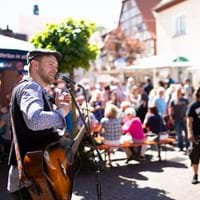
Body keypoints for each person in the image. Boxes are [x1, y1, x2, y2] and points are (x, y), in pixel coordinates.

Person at [7, 49, 71, 199]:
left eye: (56, 67)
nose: (55, 70)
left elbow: (37, 127)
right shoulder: (31, 87)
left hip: (33, 174)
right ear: (35, 65)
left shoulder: (30, 88)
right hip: (31, 179)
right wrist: (61, 112)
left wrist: (56, 110)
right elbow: (35, 121)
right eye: (50, 64)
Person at [186, 87, 200, 184]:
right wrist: (190, 133)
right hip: (197, 136)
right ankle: (195, 175)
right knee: (195, 156)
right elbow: (189, 121)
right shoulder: (193, 106)